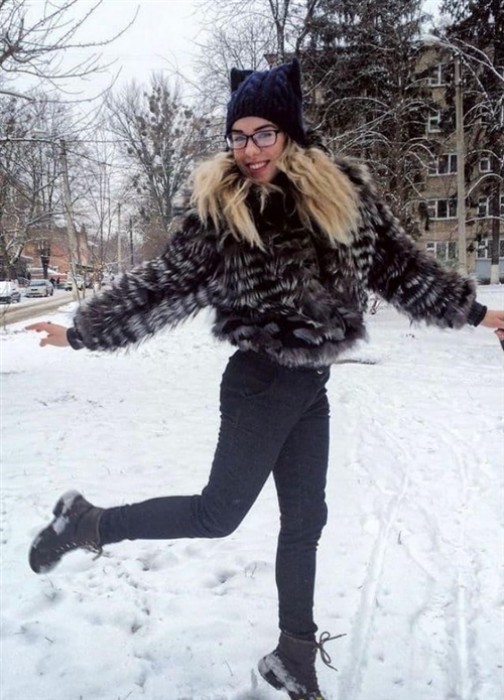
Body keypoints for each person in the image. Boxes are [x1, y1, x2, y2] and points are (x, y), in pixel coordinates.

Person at [26, 59, 504, 700]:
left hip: (310, 388)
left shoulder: (345, 198)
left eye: (263, 134)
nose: (249, 150)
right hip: (258, 383)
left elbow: (399, 269)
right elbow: (162, 286)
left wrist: (477, 312)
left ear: (290, 133)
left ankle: (293, 656)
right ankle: (86, 523)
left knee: (306, 521)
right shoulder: (223, 215)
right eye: (239, 136)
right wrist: (82, 331)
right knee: (217, 515)